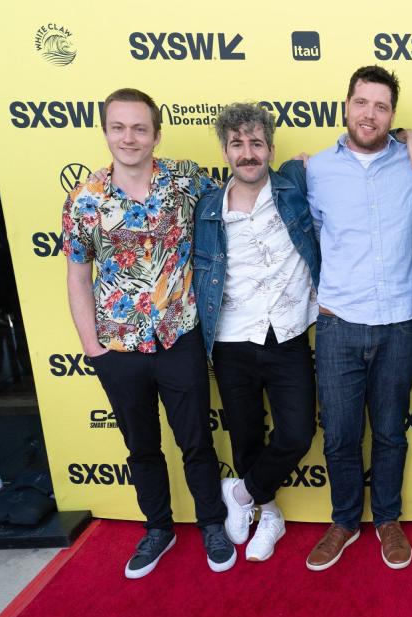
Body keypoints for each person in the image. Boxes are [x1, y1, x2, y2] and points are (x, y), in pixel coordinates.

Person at [61, 88, 235, 578]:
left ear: (156, 133)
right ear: (106, 132)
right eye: (119, 127)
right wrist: (92, 348)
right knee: (141, 446)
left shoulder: (184, 181)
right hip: (117, 348)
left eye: (140, 128)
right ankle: (157, 529)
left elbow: (244, 185)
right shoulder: (85, 199)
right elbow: (77, 274)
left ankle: (212, 524)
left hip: (179, 338)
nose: (129, 137)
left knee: (197, 441)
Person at [303, 66, 412, 571]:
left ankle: (389, 520)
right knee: (339, 434)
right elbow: (306, 236)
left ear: (392, 115)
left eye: (381, 106)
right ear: (346, 104)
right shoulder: (315, 170)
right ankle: (344, 521)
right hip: (338, 324)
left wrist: (411, 135)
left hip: (401, 321)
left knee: (392, 431)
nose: (369, 114)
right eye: (362, 102)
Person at [192, 103, 319, 562]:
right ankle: (267, 514)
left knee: (297, 433)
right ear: (225, 149)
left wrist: (408, 137)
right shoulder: (207, 206)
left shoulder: (294, 187)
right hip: (230, 340)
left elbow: (363, 150)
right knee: (246, 435)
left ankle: (240, 492)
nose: (248, 153)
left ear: (270, 147)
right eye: (237, 144)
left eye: (256, 143)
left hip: (287, 335)